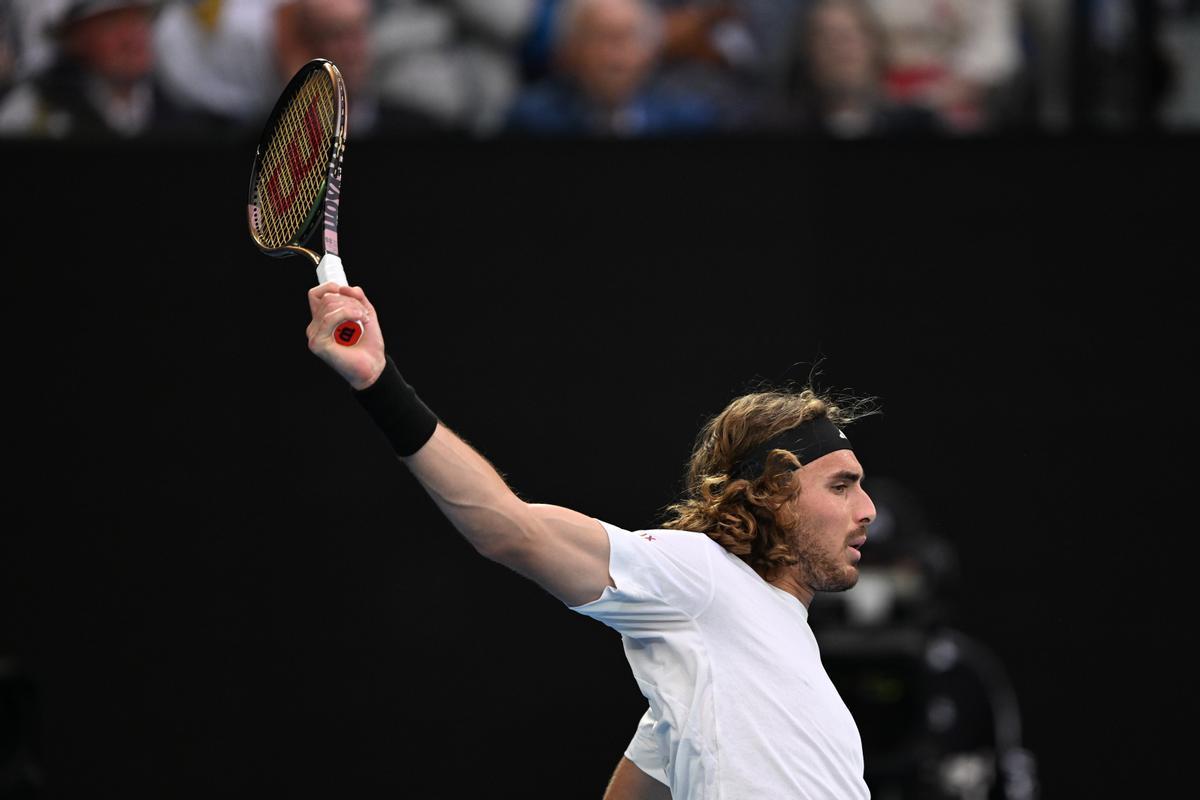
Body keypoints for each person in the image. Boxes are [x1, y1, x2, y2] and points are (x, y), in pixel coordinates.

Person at [305, 282, 879, 798]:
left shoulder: (730, 666)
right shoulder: (702, 578)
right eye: (841, 486)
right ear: (771, 495)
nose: (868, 509)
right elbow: (511, 529)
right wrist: (380, 383)